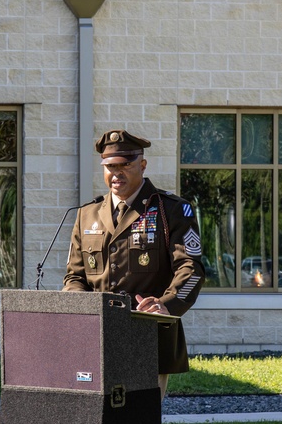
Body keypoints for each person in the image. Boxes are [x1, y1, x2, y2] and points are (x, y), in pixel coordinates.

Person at [63, 129, 205, 396]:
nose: (117, 173)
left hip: (147, 337)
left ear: (142, 164)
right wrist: (80, 313)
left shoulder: (170, 209)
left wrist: (166, 306)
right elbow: (74, 277)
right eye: (110, 166)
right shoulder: (86, 214)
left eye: (125, 165)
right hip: (96, 338)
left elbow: (191, 269)